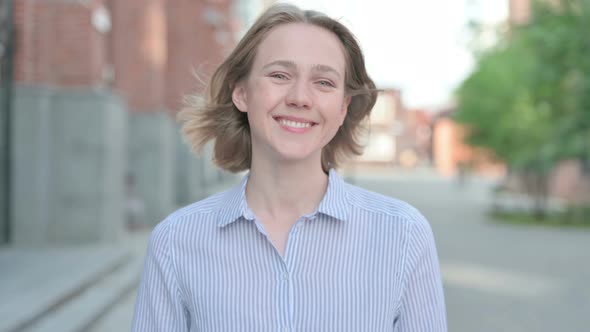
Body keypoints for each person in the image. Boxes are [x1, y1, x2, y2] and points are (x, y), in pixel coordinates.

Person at [131, 3, 447, 331]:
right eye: (280, 75)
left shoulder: (404, 235)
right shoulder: (175, 241)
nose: (300, 97)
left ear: (342, 107)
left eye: (323, 82)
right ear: (241, 92)